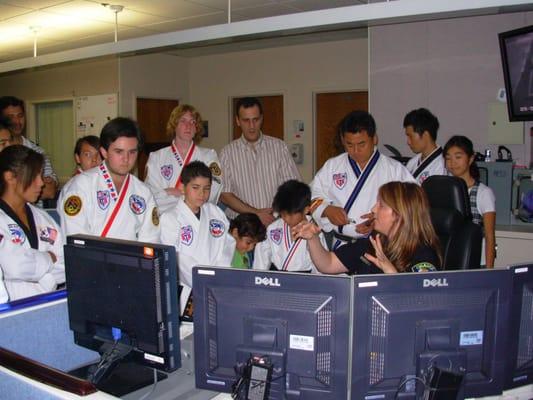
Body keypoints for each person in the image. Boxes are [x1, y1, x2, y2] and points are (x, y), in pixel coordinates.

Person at [310, 110, 415, 250]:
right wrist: (326, 209)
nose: (355, 150)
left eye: (361, 144)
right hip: (341, 246)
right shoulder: (332, 166)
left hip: (380, 246)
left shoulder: (394, 169)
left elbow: (413, 206)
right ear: (342, 140)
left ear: (375, 139)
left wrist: (379, 219)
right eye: (349, 145)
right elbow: (311, 197)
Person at [293, 181, 441, 274]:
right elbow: (328, 264)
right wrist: (312, 239)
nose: (374, 209)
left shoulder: (423, 255)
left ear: (399, 214)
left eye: (381, 205)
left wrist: (391, 273)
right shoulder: (373, 243)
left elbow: (421, 303)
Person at [58, 117, 160, 243]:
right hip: (90, 260)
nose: (126, 159)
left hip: (131, 261)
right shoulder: (81, 186)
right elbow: (75, 239)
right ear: (104, 152)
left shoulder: (143, 192)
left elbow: (150, 240)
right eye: (119, 152)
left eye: (132, 152)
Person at [219, 97, 301, 226]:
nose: (251, 126)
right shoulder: (227, 153)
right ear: (237, 121)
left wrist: (275, 213)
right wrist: (256, 213)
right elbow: (224, 195)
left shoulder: (279, 147)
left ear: (261, 119)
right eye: (246, 120)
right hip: (242, 227)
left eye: (255, 120)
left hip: (276, 223)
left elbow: (293, 188)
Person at [0, 145, 65, 301]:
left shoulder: (44, 218)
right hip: (11, 312)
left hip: (48, 304)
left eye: (41, 175)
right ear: (10, 177)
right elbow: (14, 265)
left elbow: (66, 264)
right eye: (34, 176)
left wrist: (43, 281)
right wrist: (49, 258)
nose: (41, 183)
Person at [160, 161, 235, 289]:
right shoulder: (170, 218)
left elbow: (227, 245)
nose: (202, 194)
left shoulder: (215, 213)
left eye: (207, 188)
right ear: (183, 187)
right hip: (188, 287)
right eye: (195, 188)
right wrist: (203, 280)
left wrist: (219, 275)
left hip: (218, 282)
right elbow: (177, 258)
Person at [145, 104, 223, 214]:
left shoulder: (209, 156)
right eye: (183, 121)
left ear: (197, 128)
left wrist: (171, 193)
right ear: (174, 125)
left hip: (198, 217)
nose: (188, 126)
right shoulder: (157, 157)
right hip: (166, 221)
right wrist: (190, 196)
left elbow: (213, 191)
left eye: (193, 122)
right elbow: (151, 195)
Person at [444, 135, 496, 268]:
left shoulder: (484, 193)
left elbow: (490, 236)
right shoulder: (444, 190)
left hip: (477, 262)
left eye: (458, 157)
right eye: (448, 158)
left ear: (471, 158)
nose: (452, 162)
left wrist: (489, 270)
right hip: (450, 260)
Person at [254, 180, 327, 272]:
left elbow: (321, 265)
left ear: (306, 210)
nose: (286, 218)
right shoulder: (273, 229)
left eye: (290, 214)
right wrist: (258, 279)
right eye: (283, 214)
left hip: (304, 281)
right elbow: (261, 260)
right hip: (275, 280)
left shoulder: (314, 232)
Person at [0, 96, 58, 200]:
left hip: (33, 213)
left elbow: (49, 191)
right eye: (11, 117)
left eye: (20, 115)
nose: (17, 121)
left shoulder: (37, 152)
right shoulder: (2, 154)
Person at [403, 108, 447, 184]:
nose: (408, 142)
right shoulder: (412, 162)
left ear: (425, 135)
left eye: (410, 136)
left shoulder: (443, 165)